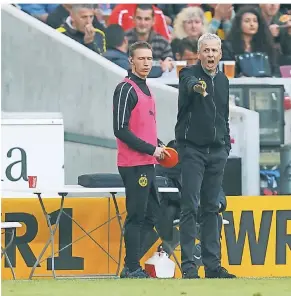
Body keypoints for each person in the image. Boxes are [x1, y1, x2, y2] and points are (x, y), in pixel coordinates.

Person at [175, 33, 236, 279]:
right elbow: (188, 82)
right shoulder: (188, 75)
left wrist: (225, 146)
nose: (210, 55)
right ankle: (189, 268)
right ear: (199, 54)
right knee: (190, 206)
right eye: (206, 51)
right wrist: (196, 87)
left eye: (214, 51)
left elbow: (224, 116)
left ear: (220, 54)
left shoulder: (223, 80)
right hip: (192, 150)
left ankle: (213, 267)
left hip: (216, 151)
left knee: (212, 208)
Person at [113, 41, 170, 279]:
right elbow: (120, 129)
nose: (146, 63)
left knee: (154, 214)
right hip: (134, 163)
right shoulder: (126, 89)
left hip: (147, 161)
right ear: (131, 61)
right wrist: (152, 149)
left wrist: (158, 144)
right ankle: (131, 266)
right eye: (141, 59)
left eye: (149, 59)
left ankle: (132, 261)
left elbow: (142, 127)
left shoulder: (146, 88)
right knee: (137, 216)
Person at [222, 6, 278, 77]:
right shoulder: (228, 47)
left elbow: (274, 69)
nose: (252, 24)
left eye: (255, 21)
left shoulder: (266, 45)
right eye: (247, 21)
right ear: (239, 24)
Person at [125, 4, 174, 74]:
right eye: (139, 18)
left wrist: (167, 65)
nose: (142, 23)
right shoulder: (125, 39)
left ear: (153, 21)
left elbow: (170, 63)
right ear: (133, 19)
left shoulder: (162, 42)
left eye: (147, 19)